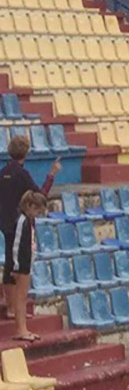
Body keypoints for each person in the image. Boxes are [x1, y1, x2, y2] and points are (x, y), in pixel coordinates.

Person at [0, 136, 57, 320]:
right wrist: (51, 175)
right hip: (19, 224)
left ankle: (10, 306)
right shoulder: (22, 175)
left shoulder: (3, 172)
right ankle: (13, 308)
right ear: (26, 152)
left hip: (4, 221)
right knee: (18, 265)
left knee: (10, 260)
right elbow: (39, 196)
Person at [8, 191, 46, 341]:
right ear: (29, 206)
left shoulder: (29, 221)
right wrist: (16, 266)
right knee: (20, 298)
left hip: (27, 263)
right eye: (37, 211)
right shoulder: (21, 221)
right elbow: (16, 245)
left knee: (23, 297)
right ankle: (20, 329)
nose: (37, 214)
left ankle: (24, 328)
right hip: (21, 265)